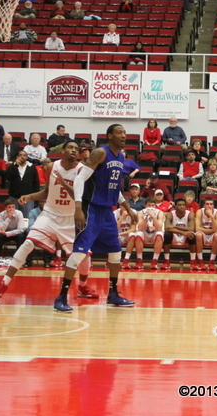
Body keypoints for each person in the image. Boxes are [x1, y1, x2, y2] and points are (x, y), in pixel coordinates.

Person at [0, 142, 98, 300]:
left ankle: (82, 287)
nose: (74, 150)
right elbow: (46, 192)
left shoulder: (81, 170)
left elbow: (78, 196)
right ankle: (2, 286)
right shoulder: (52, 167)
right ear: (63, 150)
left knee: (84, 254)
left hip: (69, 217)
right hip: (49, 214)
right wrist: (29, 196)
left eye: (76, 149)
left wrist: (64, 183)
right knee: (28, 243)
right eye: (70, 147)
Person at [54, 124, 138, 312]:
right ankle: (61, 297)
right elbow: (79, 179)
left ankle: (113, 294)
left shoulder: (121, 156)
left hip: (107, 212)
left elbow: (113, 187)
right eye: (119, 132)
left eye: (125, 132)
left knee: (115, 251)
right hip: (91, 209)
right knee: (79, 253)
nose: (124, 135)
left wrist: (128, 208)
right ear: (110, 136)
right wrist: (78, 207)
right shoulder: (100, 152)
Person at [4, 150, 41, 218]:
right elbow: (8, 177)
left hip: (28, 198)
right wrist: (15, 165)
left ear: (27, 157)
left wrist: (34, 197)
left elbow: (36, 183)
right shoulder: (13, 167)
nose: (22, 157)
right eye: (20, 155)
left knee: (27, 217)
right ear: (17, 157)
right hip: (14, 197)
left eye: (24, 155)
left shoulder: (31, 167)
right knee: (13, 217)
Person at [130, 199, 165, 270]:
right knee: (138, 234)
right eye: (149, 205)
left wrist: (153, 217)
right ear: (145, 206)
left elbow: (159, 228)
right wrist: (146, 218)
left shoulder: (160, 212)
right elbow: (139, 228)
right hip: (144, 234)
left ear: (155, 206)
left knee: (159, 234)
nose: (151, 207)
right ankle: (139, 260)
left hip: (154, 234)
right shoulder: (140, 212)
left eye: (152, 205)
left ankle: (154, 261)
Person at [192, 198, 217, 271]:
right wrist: (212, 230)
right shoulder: (199, 212)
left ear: (213, 205)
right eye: (207, 204)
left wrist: (212, 216)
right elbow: (197, 228)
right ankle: (200, 261)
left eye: (211, 204)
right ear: (204, 205)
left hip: (213, 235)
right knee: (198, 235)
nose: (209, 206)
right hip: (203, 234)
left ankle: (211, 261)